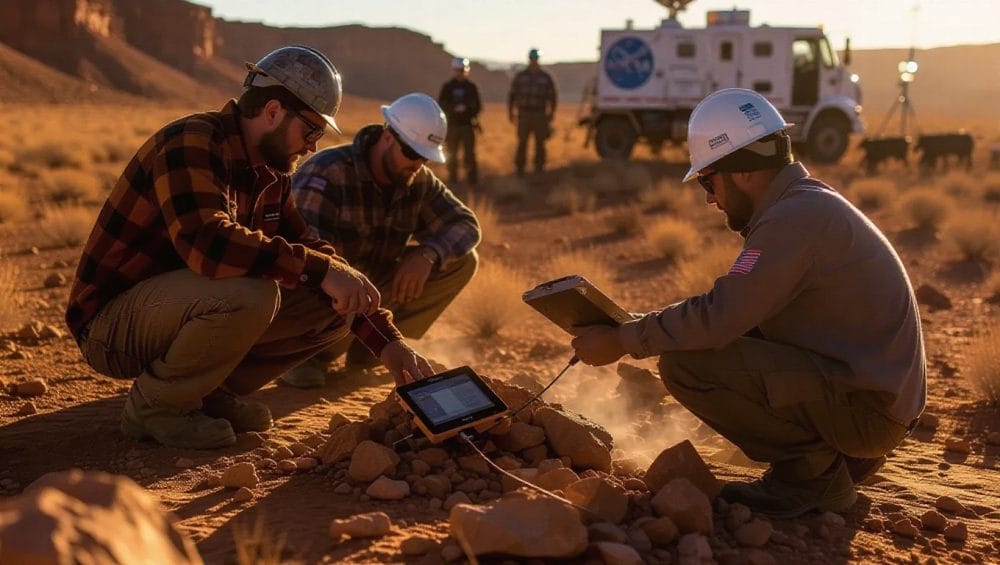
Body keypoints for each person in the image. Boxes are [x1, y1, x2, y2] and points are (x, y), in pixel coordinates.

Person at [569, 88, 926, 519]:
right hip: (874, 400)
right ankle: (835, 458)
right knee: (713, 342)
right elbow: (738, 312)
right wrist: (637, 327)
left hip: (869, 414)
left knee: (688, 365)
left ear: (743, 172)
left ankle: (812, 477)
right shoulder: (806, 204)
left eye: (708, 180)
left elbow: (721, 317)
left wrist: (625, 340)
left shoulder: (794, 220)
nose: (708, 197)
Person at [65, 46, 434, 450]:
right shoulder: (192, 141)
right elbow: (207, 245)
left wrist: (388, 341)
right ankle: (157, 407)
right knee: (254, 292)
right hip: (111, 328)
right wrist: (320, 269)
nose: (312, 147)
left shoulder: (271, 175)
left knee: (332, 303)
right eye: (311, 130)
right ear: (273, 111)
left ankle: (203, 390)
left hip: (178, 313)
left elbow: (311, 252)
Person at [280, 93, 481, 388]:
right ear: (388, 137)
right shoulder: (329, 173)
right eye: (412, 153)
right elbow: (308, 264)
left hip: (367, 295)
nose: (418, 164)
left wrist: (426, 254)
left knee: (461, 261)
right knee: (322, 279)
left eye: (425, 157)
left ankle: (369, 351)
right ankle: (305, 357)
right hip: (320, 295)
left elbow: (466, 225)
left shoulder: (416, 179)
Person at [508, 48, 557, 176]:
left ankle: (539, 167)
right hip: (524, 114)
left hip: (540, 113)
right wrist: (510, 112)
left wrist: (551, 113)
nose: (534, 61)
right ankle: (520, 168)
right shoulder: (521, 76)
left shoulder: (545, 77)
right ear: (529, 59)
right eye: (532, 58)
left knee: (540, 142)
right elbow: (512, 95)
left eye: (536, 58)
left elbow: (552, 97)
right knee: (522, 141)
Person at [438, 57, 482, 185]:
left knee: (470, 155)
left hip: (467, 126)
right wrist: (453, 109)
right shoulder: (447, 87)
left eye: (462, 70)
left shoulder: (471, 87)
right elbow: (441, 105)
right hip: (452, 126)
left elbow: (478, 107)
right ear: (454, 70)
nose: (460, 72)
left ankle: (472, 180)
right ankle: (453, 180)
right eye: (458, 70)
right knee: (452, 154)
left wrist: (467, 109)